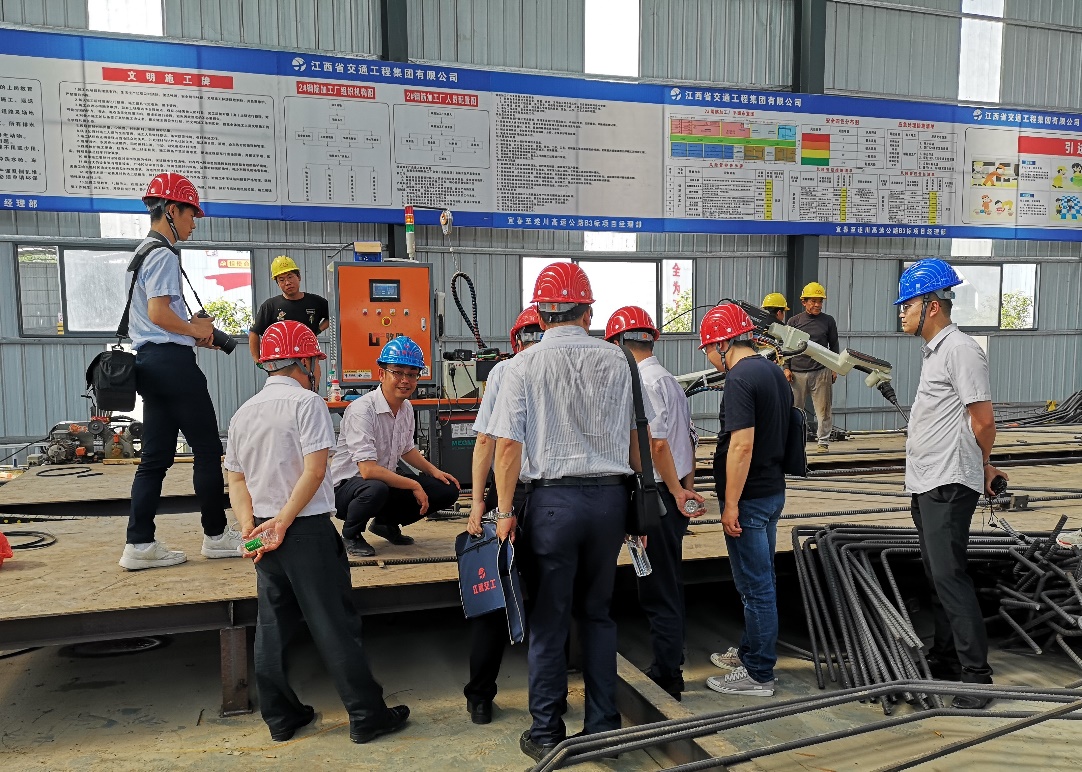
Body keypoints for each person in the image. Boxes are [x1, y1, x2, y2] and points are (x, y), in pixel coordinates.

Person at [487, 262, 649, 763]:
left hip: (552, 506)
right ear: (588, 313)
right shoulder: (620, 360)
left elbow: (507, 448)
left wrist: (504, 511)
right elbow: (636, 440)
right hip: (609, 502)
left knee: (549, 619)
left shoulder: (523, 365)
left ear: (539, 314)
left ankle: (546, 732)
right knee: (598, 615)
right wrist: (638, 511)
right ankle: (603, 728)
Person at [225, 320, 409, 745]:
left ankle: (281, 717)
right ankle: (367, 715)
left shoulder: (243, 412)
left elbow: (235, 479)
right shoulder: (307, 404)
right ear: (305, 362)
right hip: (304, 530)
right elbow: (314, 471)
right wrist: (285, 522)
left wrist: (251, 527)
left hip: (264, 533)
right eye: (316, 362)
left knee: (272, 627)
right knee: (333, 624)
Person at [119, 173, 244, 570]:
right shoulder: (163, 254)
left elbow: (153, 319)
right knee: (207, 450)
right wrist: (195, 330)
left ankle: (139, 543)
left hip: (150, 363)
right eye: (191, 214)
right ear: (172, 210)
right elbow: (159, 313)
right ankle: (216, 536)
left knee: (155, 458)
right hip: (172, 365)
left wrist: (192, 334)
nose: (194, 223)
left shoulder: (141, 253)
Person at [895, 258, 1005, 710]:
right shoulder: (935, 352)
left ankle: (977, 678)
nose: (902, 312)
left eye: (907, 305)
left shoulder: (960, 349)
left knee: (950, 576)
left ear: (932, 306)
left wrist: (983, 465)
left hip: (948, 481)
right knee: (936, 575)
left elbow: (984, 420)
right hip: (928, 481)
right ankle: (945, 658)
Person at [605, 306, 704, 701]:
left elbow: (657, 444)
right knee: (668, 584)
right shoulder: (670, 381)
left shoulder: (641, 382)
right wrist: (686, 490)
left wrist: (676, 494)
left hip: (659, 497)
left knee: (657, 590)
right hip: (672, 494)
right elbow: (690, 440)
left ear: (619, 343)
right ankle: (671, 660)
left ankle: (668, 674)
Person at [700, 303, 791, 698]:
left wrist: (731, 503)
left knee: (756, 588)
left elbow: (742, 445)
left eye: (708, 349)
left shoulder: (739, 379)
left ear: (723, 344)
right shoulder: (773, 371)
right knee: (759, 580)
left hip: (749, 499)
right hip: (771, 490)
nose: (708, 357)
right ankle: (750, 651)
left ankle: (758, 675)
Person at [462, 306, 543, 725]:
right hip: (555, 497)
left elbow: (487, 442)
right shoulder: (564, 367)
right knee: (549, 597)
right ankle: (549, 699)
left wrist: (479, 502)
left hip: (509, 496)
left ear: (515, 340)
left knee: (493, 598)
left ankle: (480, 698)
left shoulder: (504, 372)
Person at [328, 337, 460, 558]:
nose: (405, 380)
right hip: (346, 490)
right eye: (397, 373)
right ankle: (351, 534)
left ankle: (385, 524)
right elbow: (367, 471)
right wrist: (414, 485)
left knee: (446, 489)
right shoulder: (362, 410)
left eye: (412, 374)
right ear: (382, 374)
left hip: (381, 483)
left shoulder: (406, 408)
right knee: (376, 488)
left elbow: (406, 449)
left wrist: (434, 471)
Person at [784, 282, 839, 453]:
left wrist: (834, 367)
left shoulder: (828, 321)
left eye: (820, 301)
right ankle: (795, 443)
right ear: (804, 302)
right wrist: (786, 368)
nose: (817, 305)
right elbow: (786, 347)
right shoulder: (794, 321)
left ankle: (823, 442)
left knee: (824, 409)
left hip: (821, 371)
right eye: (813, 301)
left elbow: (834, 345)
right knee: (795, 410)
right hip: (797, 373)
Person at [248, 256, 330, 364]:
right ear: (278, 283)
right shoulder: (270, 306)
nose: (287, 283)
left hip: (308, 361)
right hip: (281, 363)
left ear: (298, 277)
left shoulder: (316, 302)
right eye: (281, 280)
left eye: (290, 277)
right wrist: (257, 360)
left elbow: (334, 315)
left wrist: (317, 331)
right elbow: (254, 332)